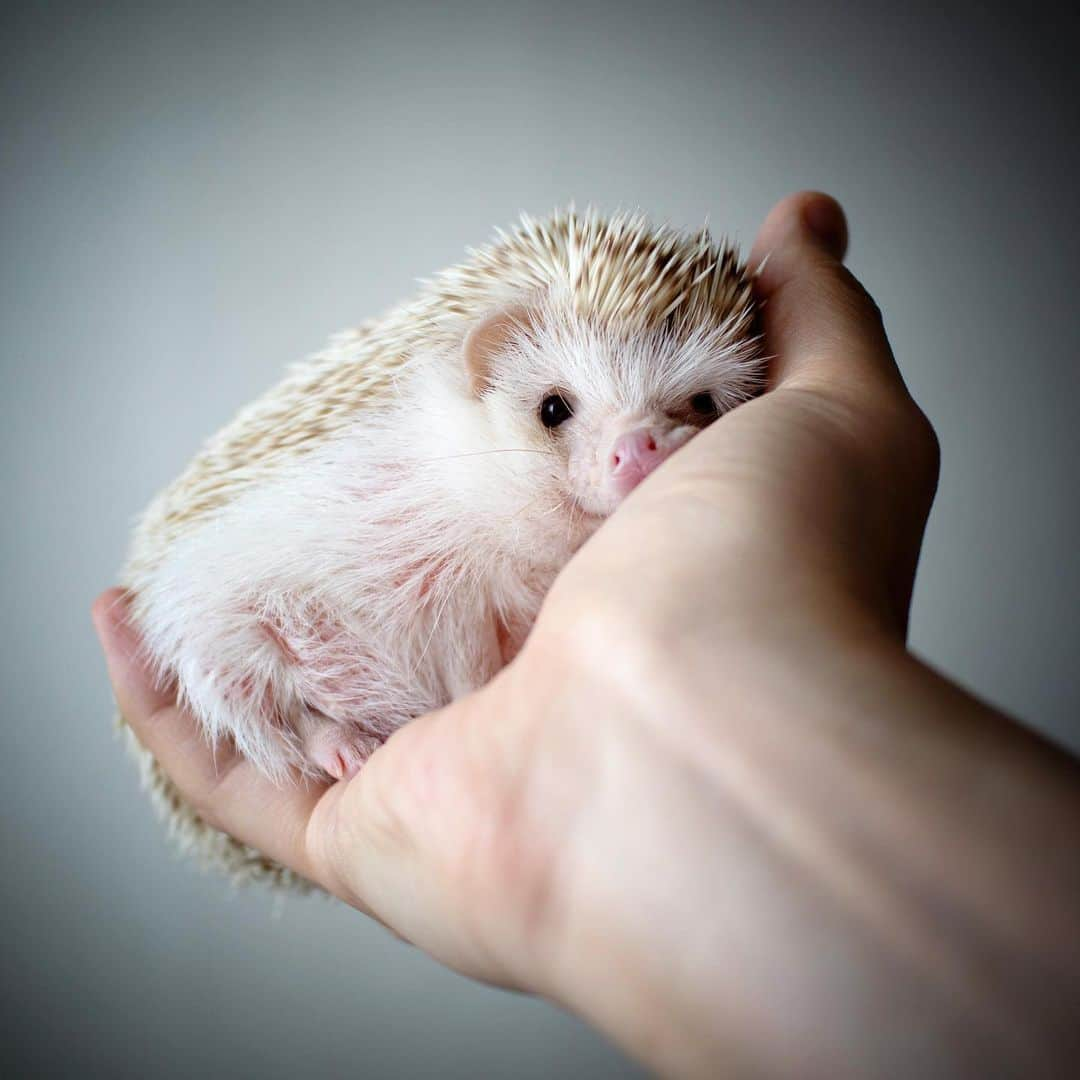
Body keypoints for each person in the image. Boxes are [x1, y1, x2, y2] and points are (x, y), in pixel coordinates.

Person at [92, 192, 1080, 1077]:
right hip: (284, 648)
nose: (633, 446)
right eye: (557, 410)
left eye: (699, 407)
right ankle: (306, 729)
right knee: (223, 639)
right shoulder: (431, 460)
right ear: (486, 377)